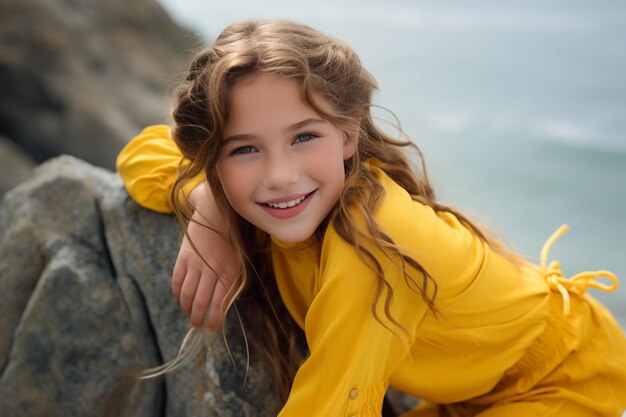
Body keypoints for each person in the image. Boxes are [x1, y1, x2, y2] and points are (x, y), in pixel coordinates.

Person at [116, 19, 626, 417]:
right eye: (244, 149)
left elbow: (332, 406)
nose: (279, 175)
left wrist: (224, 193)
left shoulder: (372, 246)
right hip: (468, 385)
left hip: (562, 376)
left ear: (348, 135)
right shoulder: (250, 189)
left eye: (303, 137)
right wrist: (209, 204)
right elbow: (141, 154)